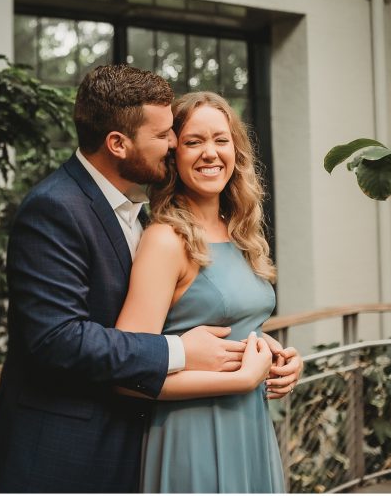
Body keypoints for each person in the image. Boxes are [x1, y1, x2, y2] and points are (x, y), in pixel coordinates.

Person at [0, 66, 297, 492]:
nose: (173, 144)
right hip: (64, 450)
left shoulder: (136, 213)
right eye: (166, 136)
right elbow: (57, 340)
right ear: (118, 144)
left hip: (135, 436)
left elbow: (183, 311)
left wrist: (262, 347)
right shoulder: (55, 208)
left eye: (219, 140)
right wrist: (181, 351)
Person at [115, 91, 300, 492]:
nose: (210, 153)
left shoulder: (241, 233)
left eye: (220, 140)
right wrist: (240, 380)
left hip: (250, 426)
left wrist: (275, 356)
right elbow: (127, 373)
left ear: (236, 151)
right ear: (173, 155)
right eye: (193, 141)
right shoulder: (165, 240)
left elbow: (231, 323)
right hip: (190, 434)